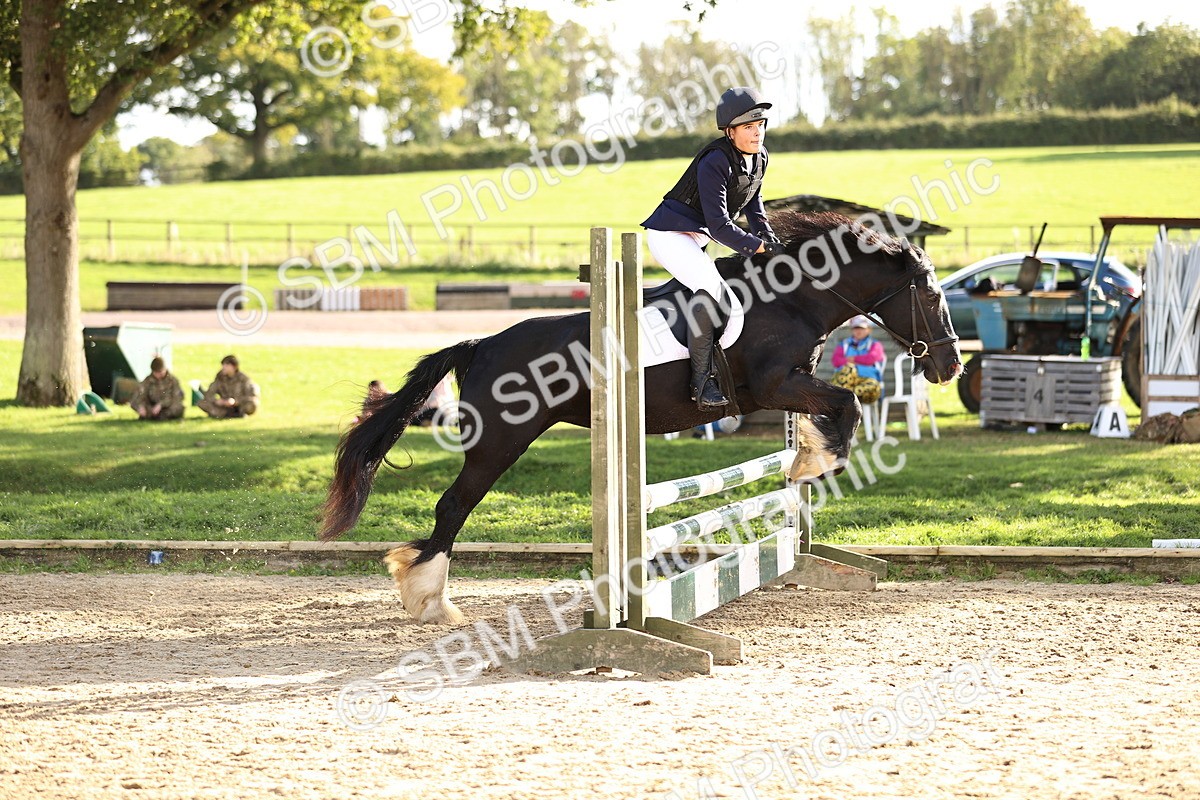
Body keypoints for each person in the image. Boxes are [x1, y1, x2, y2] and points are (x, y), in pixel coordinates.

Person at [641, 86, 785, 410]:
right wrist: (759, 247)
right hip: (670, 235)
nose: (757, 132)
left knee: (731, 291)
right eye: (748, 127)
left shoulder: (760, 158)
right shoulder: (715, 160)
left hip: (696, 237)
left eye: (760, 125)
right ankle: (701, 383)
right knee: (709, 287)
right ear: (729, 131)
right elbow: (720, 225)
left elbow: (754, 208)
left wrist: (773, 242)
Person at [831, 315, 885, 405]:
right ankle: (845, 401)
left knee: (841, 390)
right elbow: (836, 361)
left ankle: (840, 401)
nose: (859, 331)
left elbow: (871, 358)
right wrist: (856, 362)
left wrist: (852, 359)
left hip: (869, 385)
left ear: (869, 329)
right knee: (848, 369)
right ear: (852, 330)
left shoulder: (875, 345)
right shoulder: (843, 345)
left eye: (862, 328)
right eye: (856, 328)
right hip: (847, 384)